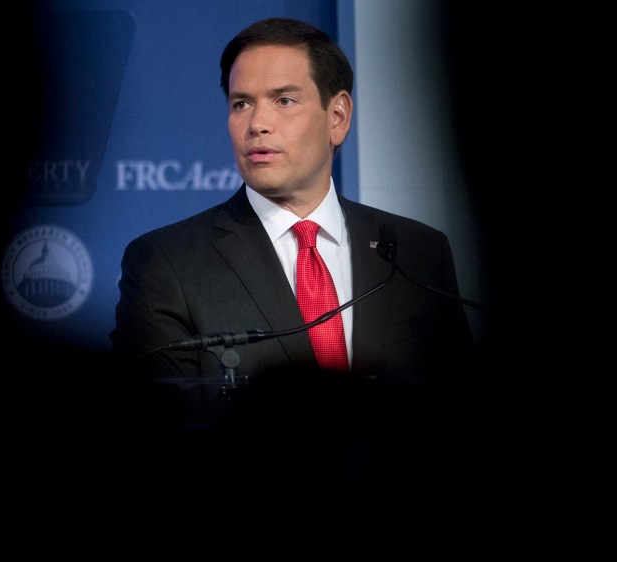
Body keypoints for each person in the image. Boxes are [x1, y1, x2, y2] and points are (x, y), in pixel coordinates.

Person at [108, 18, 477, 543]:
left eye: (283, 100)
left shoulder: (417, 251)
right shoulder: (165, 262)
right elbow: (158, 447)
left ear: (338, 116)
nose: (257, 123)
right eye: (241, 103)